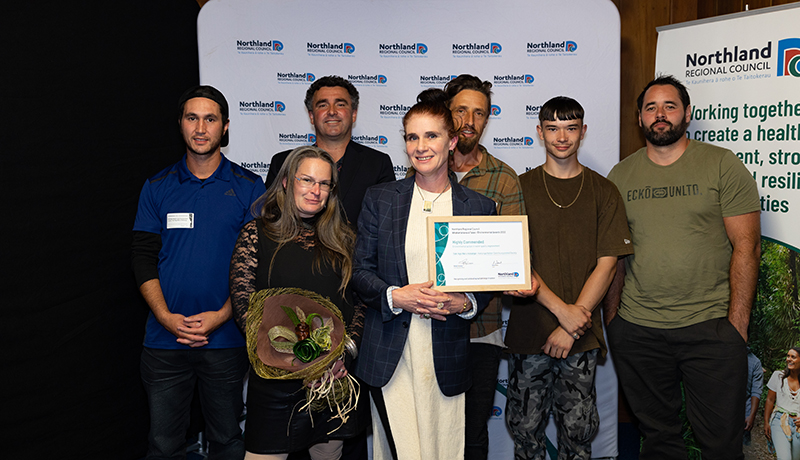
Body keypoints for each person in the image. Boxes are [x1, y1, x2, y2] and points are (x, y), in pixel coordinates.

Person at [605, 75, 761, 460]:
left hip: (710, 329)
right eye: (651, 108)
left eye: (669, 106)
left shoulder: (721, 164)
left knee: (721, 445)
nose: (660, 115)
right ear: (640, 118)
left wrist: (736, 327)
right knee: (659, 441)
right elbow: (614, 254)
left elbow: (748, 246)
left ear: (687, 113)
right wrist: (614, 322)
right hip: (639, 331)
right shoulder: (620, 176)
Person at [352, 88, 497, 460]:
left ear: (451, 141)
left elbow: (487, 284)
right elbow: (359, 270)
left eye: (431, 135)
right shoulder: (380, 199)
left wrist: (463, 302)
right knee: (400, 451)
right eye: (412, 137)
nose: (420, 146)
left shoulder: (478, 207)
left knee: (443, 448)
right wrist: (396, 296)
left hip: (445, 351)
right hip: (390, 352)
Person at [132, 85, 265, 459]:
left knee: (227, 441)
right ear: (181, 125)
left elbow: (261, 263)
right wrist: (164, 317)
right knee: (163, 444)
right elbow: (142, 256)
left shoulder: (249, 187)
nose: (201, 127)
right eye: (192, 118)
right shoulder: (157, 187)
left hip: (226, 341)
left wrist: (224, 316)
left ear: (225, 127)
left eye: (210, 118)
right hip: (164, 340)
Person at [503, 96, 633, 460]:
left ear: (583, 132)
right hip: (531, 331)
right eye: (553, 128)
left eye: (571, 128)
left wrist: (572, 323)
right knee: (525, 435)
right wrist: (564, 313)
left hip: (580, 335)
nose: (562, 137)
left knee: (578, 436)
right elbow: (513, 260)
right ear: (540, 133)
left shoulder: (603, 191)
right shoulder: (519, 188)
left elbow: (607, 264)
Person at [229, 146, 367, 460]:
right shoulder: (256, 234)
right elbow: (244, 308)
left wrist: (342, 354)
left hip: (331, 381)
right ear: (287, 182)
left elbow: (359, 304)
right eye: (307, 180)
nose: (315, 191)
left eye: (324, 184)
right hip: (274, 382)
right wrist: (298, 363)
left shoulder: (345, 240)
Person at [265, 75, 395, 227]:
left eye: (340, 105)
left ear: (353, 114)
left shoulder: (377, 164)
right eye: (323, 105)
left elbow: (386, 223)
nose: (332, 112)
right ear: (311, 116)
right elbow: (271, 219)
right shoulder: (282, 162)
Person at [765, 347, 800, 460]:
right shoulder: (778, 376)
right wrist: (766, 422)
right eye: (788, 356)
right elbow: (770, 400)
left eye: (793, 357)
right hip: (779, 420)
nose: (789, 359)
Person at [745, 347, 764, 445]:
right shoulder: (724, 353)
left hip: (744, 413)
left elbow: (756, 390)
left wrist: (751, 415)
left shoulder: (755, 362)